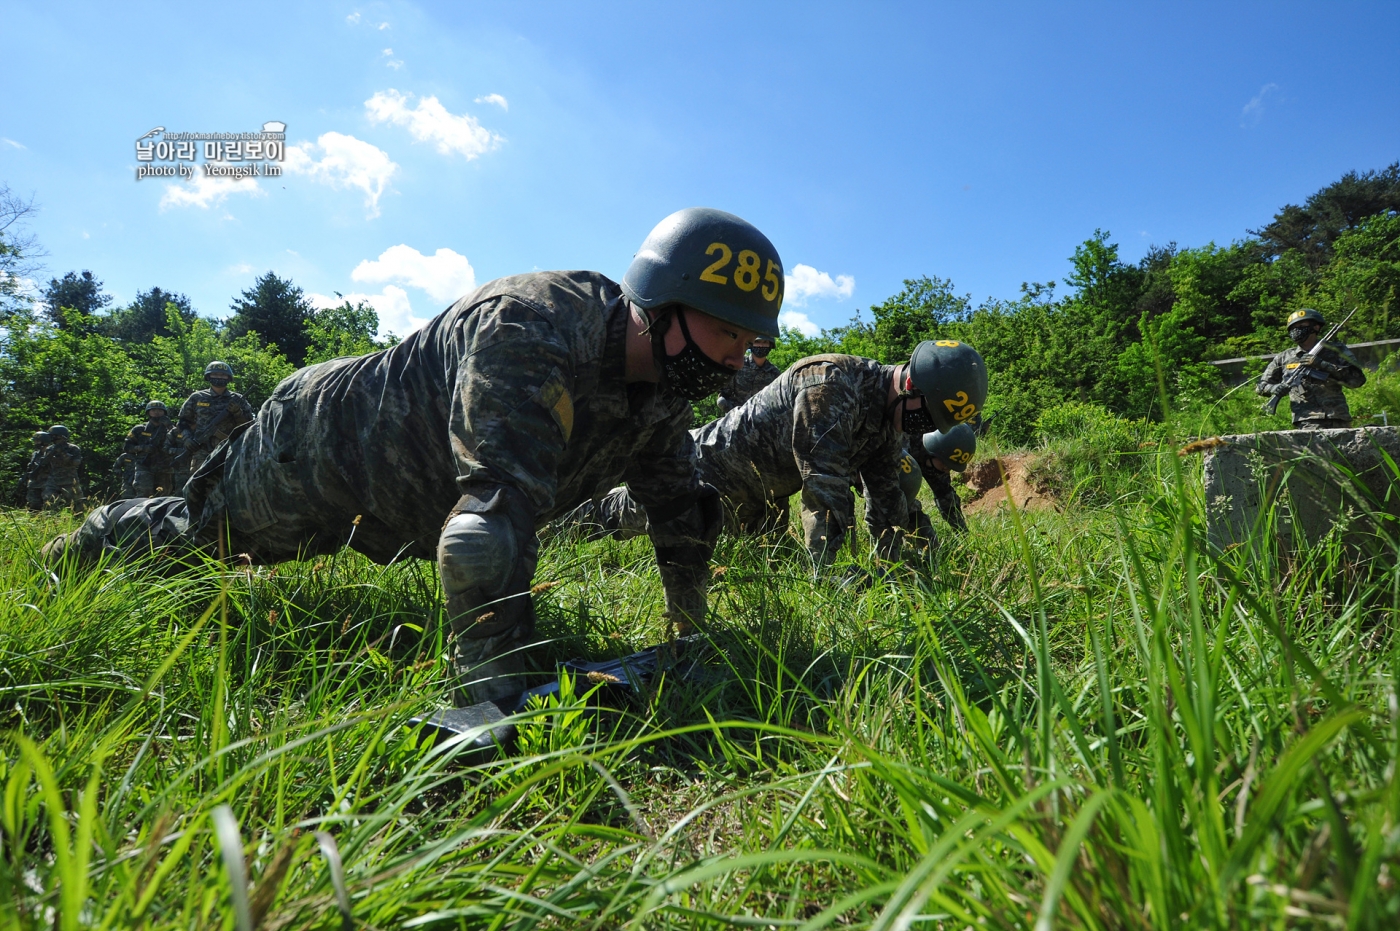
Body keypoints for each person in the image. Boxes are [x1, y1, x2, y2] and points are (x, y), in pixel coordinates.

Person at [152, 207, 778, 708]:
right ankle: (81, 548)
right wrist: (497, 696)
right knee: (200, 542)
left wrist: (689, 635)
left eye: (749, 341)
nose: (736, 356)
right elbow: (487, 525)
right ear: (662, 302)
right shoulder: (530, 326)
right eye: (726, 332)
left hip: (407, 503)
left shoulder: (665, 391)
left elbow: (681, 512)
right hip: (320, 446)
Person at [569, 340, 988, 573]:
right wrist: (830, 577)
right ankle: (554, 524)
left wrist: (909, 561)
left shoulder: (885, 422)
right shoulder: (831, 382)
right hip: (710, 468)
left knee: (775, 571)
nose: (919, 430)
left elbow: (886, 500)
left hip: (764, 499)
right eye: (924, 417)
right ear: (910, 385)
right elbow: (823, 483)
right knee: (618, 517)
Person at [1256, 308, 1366, 429]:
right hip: (1306, 421)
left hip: (1338, 418)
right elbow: (1261, 386)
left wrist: (1323, 365)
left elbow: (1357, 380)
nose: (1297, 330)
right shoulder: (1284, 357)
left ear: (1316, 327)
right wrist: (1275, 388)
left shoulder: (1335, 350)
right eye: (1293, 327)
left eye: (1302, 325)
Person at [173, 362, 255, 483]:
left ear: (228, 378)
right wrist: (187, 438)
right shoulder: (197, 397)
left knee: (230, 484)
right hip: (202, 451)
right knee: (199, 485)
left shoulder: (238, 399)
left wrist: (237, 413)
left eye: (223, 375)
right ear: (208, 376)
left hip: (230, 450)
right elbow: (183, 421)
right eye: (215, 374)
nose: (219, 377)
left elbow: (249, 424)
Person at [124, 400, 177, 496]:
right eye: (153, 410)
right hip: (144, 467)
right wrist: (143, 448)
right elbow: (127, 447)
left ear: (164, 413)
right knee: (143, 494)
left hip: (165, 468)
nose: (156, 413)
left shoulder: (170, 430)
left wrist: (170, 426)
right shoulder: (139, 429)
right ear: (148, 412)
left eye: (160, 411)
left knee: (163, 497)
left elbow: (180, 441)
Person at [716, 336, 779, 413]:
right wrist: (735, 413)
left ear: (770, 345)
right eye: (757, 342)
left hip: (762, 419)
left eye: (765, 342)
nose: (761, 345)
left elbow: (776, 400)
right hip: (735, 417)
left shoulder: (774, 373)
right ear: (750, 344)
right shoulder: (738, 365)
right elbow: (724, 395)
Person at [41, 424, 84, 511]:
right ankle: (51, 521)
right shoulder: (49, 449)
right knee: (49, 502)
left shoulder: (73, 448)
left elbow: (76, 463)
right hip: (53, 481)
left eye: (53, 435)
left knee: (77, 506)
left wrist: (62, 453)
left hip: (69, 481)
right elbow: (45, 464)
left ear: (59, 436)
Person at [21, 431, 51, 511]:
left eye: (37, 441)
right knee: (33, 505)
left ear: (44, 442)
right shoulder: (35, 454)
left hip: (48, 483)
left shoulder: (51, 453)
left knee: (48, 505)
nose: (35, 443)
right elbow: (31, 467)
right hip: (34, 483)